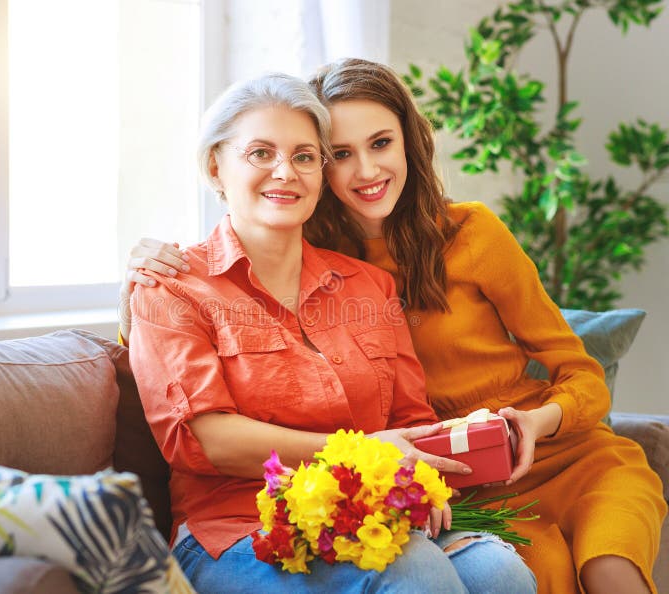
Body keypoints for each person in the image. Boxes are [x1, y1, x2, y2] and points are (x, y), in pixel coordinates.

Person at [122, 59, 667, 594]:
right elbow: (199, 432)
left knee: (517, 572)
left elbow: (414, 418)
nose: (287, 172)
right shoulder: (175, 282)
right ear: (215, 167)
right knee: (423, 572)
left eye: (304, 156)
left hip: (456, 481)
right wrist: (369, 451)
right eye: (262, 153)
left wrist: (442, 466)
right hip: (245, 522)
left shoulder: (374, 278)